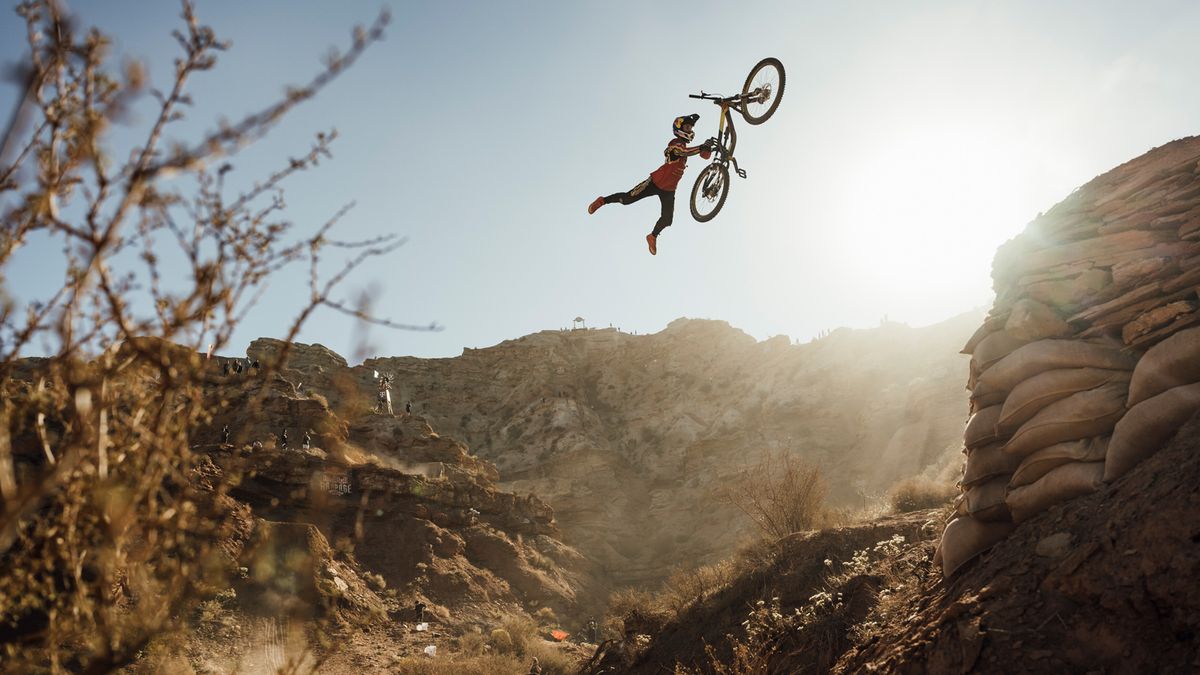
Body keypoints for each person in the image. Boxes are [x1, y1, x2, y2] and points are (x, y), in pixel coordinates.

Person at [588, 114, 714, 255]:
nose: (690, 129)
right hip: (655, 182)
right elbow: (682, 152)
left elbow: (702, 155)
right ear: (679, 128)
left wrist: (708, 148)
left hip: (669, 189)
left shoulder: (685, 146)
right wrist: (701, 147)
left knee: (667, 219)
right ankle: (602, 200)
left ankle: (652, 236)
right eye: (687, 127)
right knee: (627, 199)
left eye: (690, 127)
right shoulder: (675, 143)